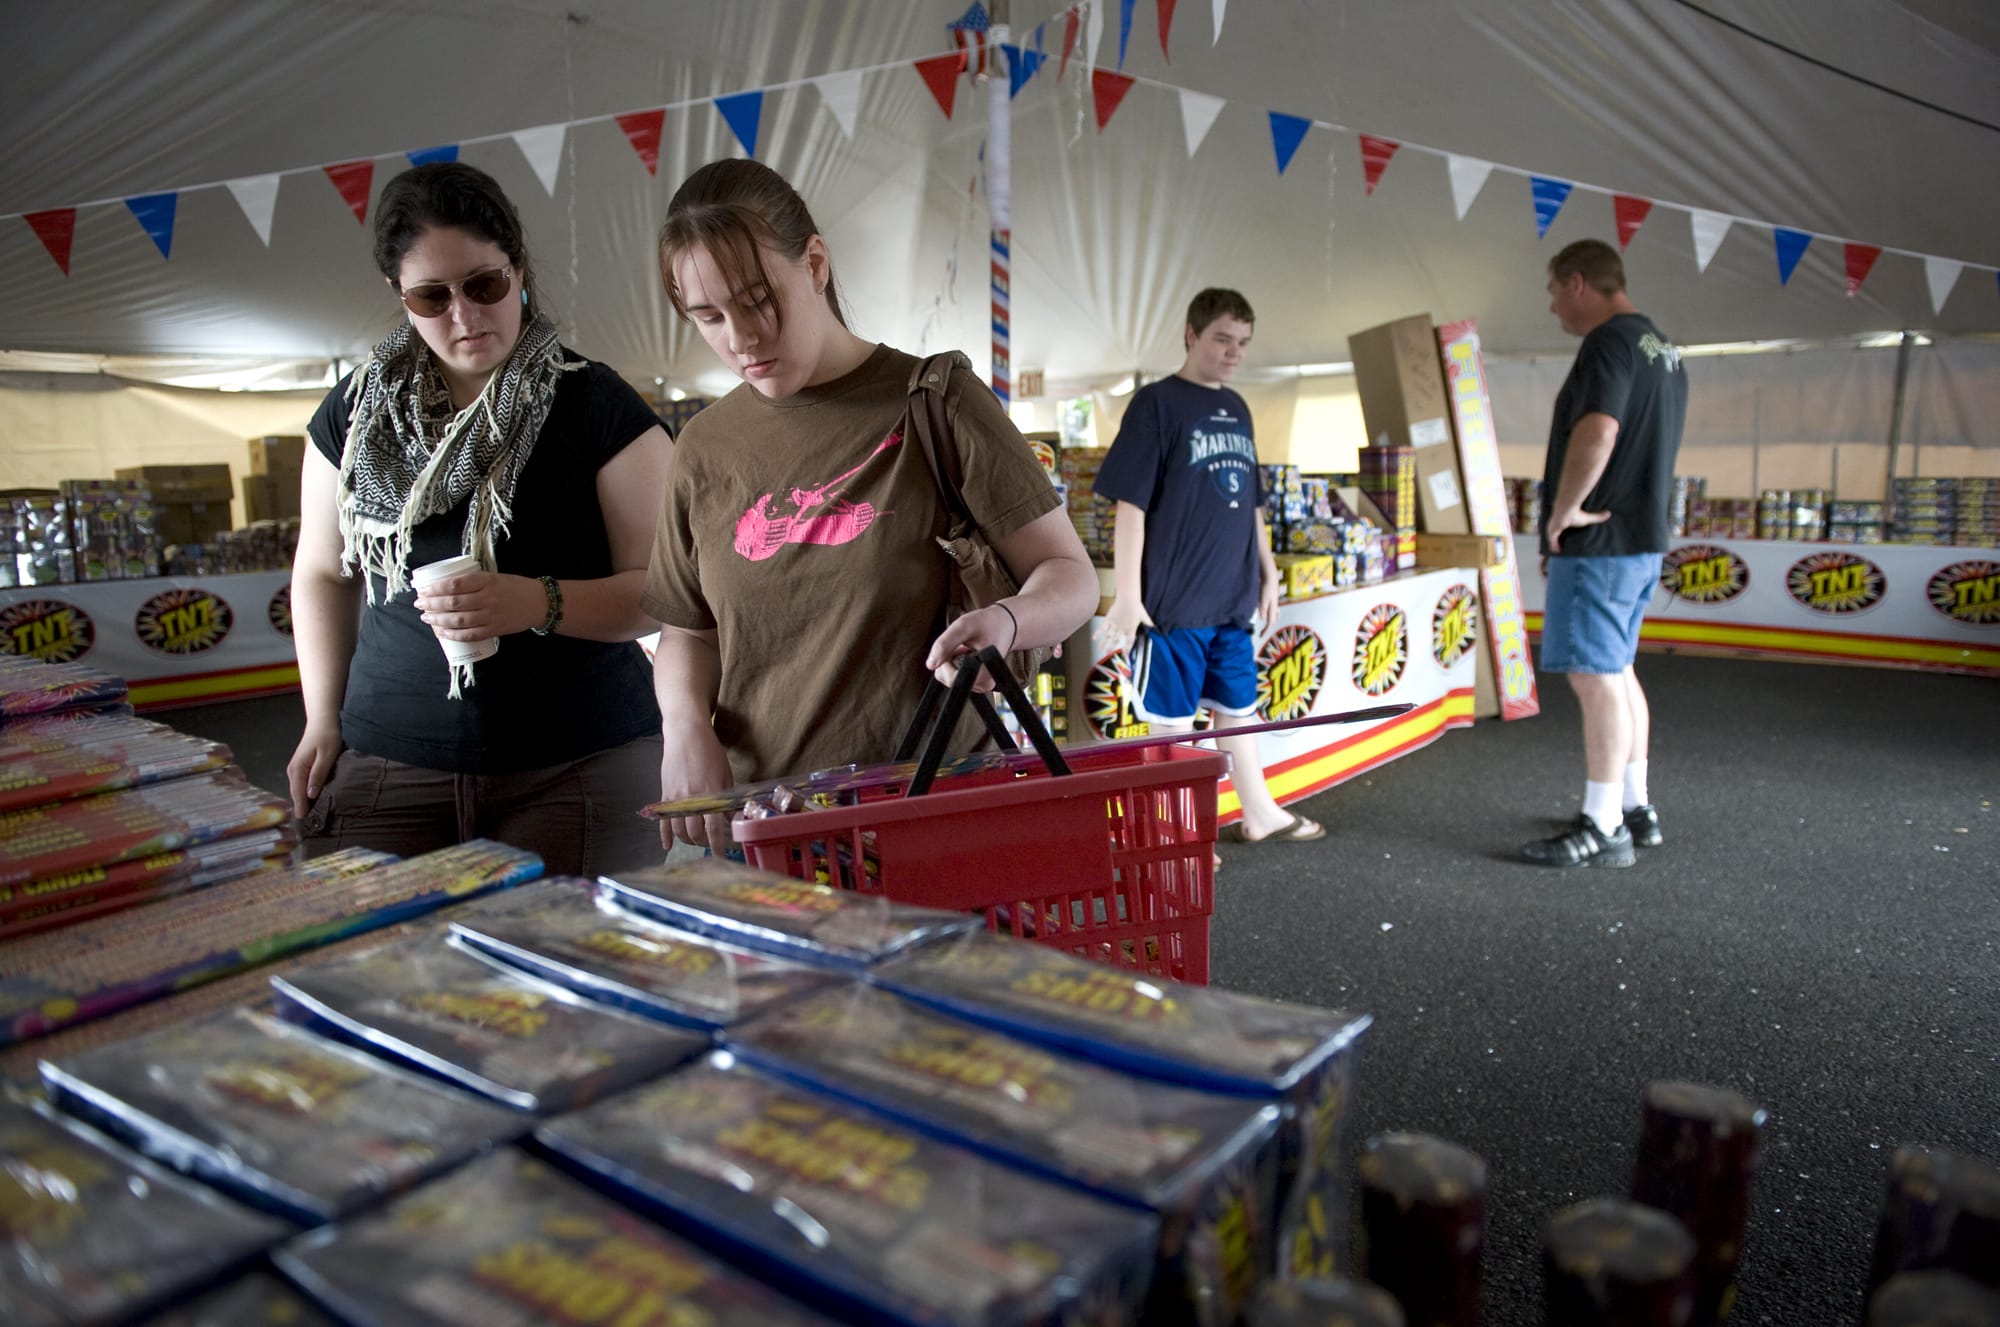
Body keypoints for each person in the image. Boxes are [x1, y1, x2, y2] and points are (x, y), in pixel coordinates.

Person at [643, 159, 1098, 851]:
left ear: (816, 262)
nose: (739, 338)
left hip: (929, 822)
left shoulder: (936, 402)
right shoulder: (704, 446)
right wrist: (684, 726)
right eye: (708, 316)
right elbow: (689, 628)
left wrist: (1007, 620)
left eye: (758, 300)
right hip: (763, 833)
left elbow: (1071, 577)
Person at [288, 161, 671, 876]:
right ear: (397, 297)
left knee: (575, 972)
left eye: (485, 285)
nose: (464, 315)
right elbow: (320, 572)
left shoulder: (594, 405)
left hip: (579, 758)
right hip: (388, 752)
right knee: (373, 974)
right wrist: (321, 719)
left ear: (518, 266)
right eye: (432, 297)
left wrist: (536, 600)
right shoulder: (355, 414)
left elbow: (665, 590)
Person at [1095, 288, 1324, 844]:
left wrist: (1268, 571)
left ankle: (1259, 811)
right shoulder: (1156, 404)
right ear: (1191, 335)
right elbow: (1131, 505)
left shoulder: (1239, 408)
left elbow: (1252, 503)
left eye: (1243, 342)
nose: (1233, 352)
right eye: (1222, 338)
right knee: (1171, 725)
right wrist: (1128, 596)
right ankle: (1176, 835)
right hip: (1172, 604)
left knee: (1238, 708)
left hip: (1233, 596)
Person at [1521, 238, 1687, 867]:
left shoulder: (1608, 344)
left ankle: (1602, 824)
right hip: (1641, 541)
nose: (1554, 306)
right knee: (1617, 672)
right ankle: (1634, 808)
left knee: (1594, 678)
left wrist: (1563, 513)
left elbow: (1600, 428)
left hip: (1602, 542)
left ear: (1579, 282)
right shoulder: (1663, 349)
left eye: (1554, 291)